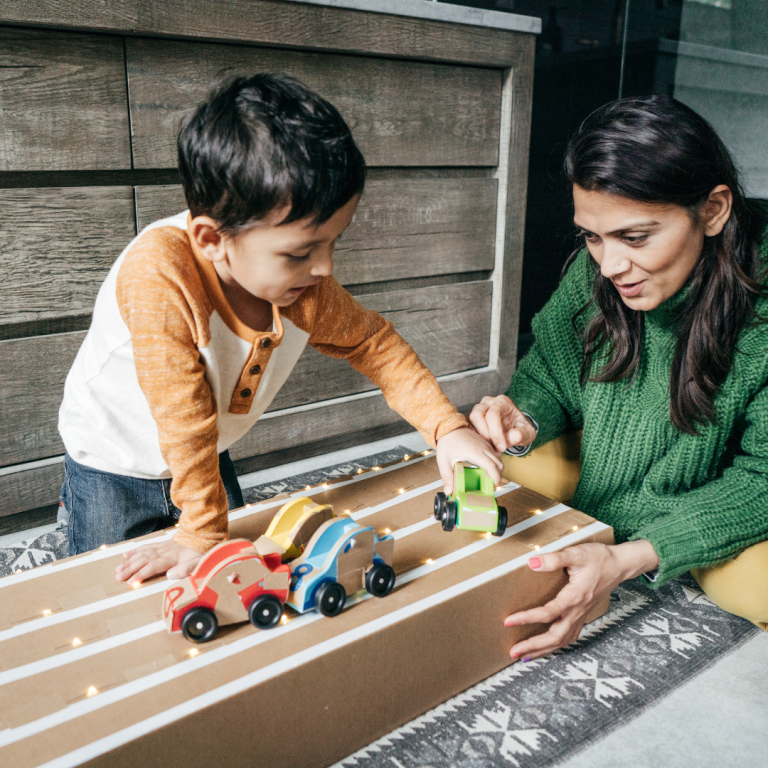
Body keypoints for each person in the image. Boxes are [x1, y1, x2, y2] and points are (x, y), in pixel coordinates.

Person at [58, 73, 501, 584]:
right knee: (111, 594)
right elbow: (182, 416)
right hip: (114, 467)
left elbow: (374, 343)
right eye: (299, 253)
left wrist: (449, 428)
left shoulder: (304, 288)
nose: (325, 269)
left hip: (208, 454)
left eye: (333, 243)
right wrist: (202, 529)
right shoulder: (160, 276)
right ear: (211, 239)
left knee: (239, 577)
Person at [470, 95, 768, 660]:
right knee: (498, 460)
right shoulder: (604, 267)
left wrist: (634, 555)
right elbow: (553, 370)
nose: (608, 267)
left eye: (635, 238)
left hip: (749, 471)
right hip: (664, 453)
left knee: (754, 587)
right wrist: (522, 414)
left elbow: (763, 476)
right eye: (592, 236)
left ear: (713, 210)